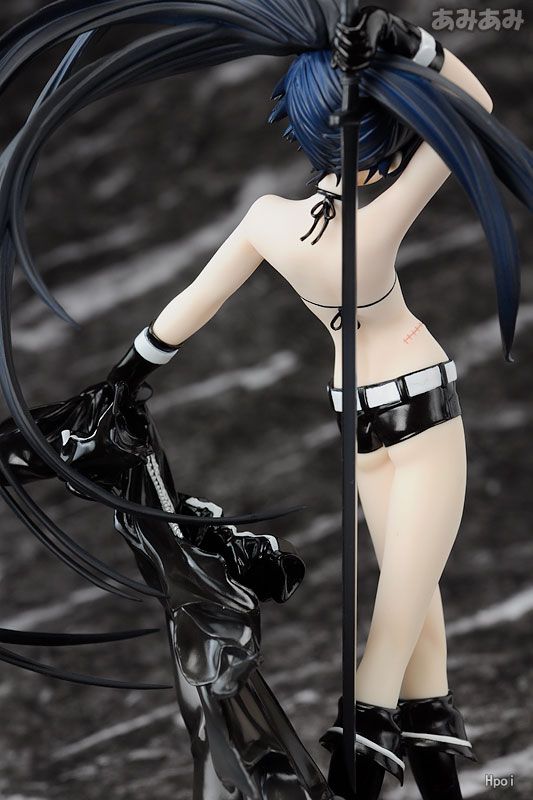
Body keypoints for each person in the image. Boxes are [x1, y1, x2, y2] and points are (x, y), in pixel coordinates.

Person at [0, 3, 530, 799]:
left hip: (356, 421)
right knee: (397, 618)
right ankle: (361, 743)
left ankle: (432, 770)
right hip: (420, 414)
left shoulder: (271, 223)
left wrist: (125, 374)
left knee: (416, 606)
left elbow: (195, 300)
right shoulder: (376, 224)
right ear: (384, 133)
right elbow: (476, 102)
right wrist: (410, 44)